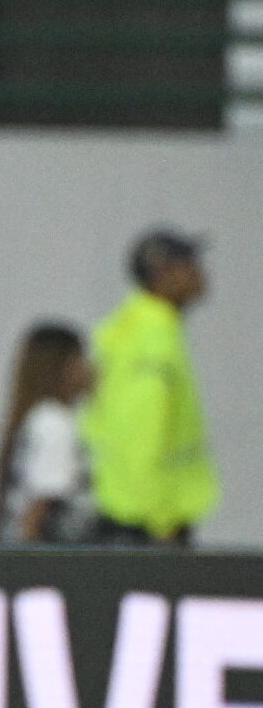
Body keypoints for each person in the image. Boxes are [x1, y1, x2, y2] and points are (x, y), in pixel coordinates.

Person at [84, 230, 220, 545]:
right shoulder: (152, 338)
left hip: (141, 516)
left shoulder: (141, 328)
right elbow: (140, 434)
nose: (200, 272)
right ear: (164, 273)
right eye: (189, 263)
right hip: (147, 524)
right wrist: (161, 520)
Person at [0, 322, 94, 543]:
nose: (92, 369)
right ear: (64, 367)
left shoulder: (36, 419)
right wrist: (33, 566)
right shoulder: (56, 424)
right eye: (82, 359)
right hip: (51, 562)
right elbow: (40, 508)